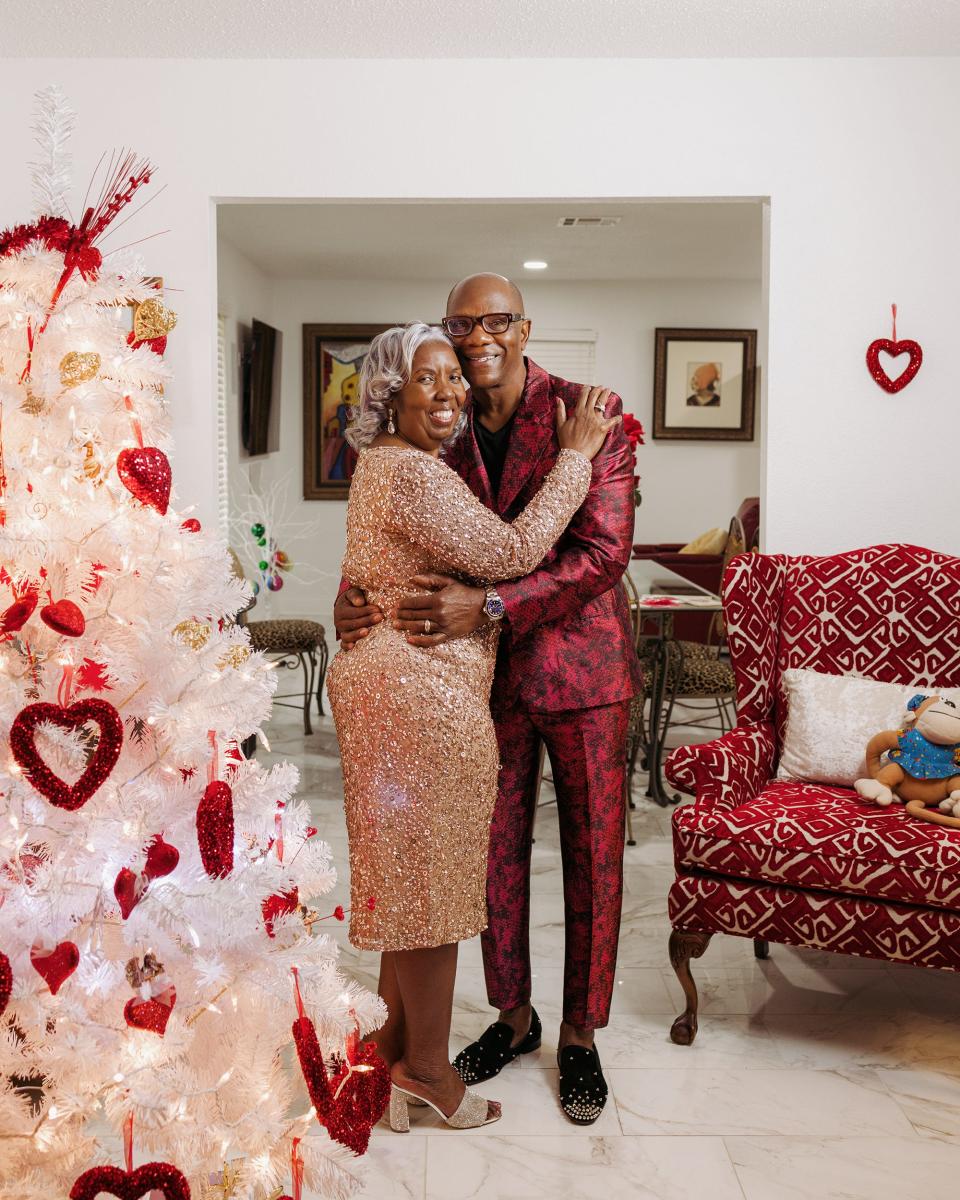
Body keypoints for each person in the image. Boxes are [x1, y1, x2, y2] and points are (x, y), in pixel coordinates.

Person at [335, 275, 642, 1126]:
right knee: (483, 869)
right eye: (461, 326)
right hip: (463, 686)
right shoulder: (441, 431)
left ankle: (578, 1035)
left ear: (524, 326)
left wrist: (498, 605)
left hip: (583, 680)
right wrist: (349, 594)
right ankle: (510, 1021)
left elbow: (602, 554)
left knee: (592, 862)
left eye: (496, 320)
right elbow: (402, 536)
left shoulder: (592, 411)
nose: (477, 340)